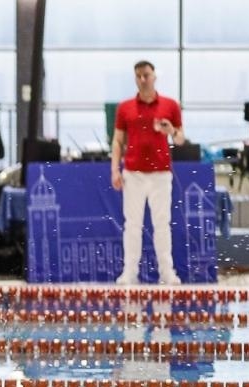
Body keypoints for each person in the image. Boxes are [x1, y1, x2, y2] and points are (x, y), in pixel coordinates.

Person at [111, 59, 183, 286]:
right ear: (135, 78)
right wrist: (115, 169)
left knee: (162, 224)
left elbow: (180, 139)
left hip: (161, 174)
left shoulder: (170, 105)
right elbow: (118, 140)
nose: (143, 79)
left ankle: (167, 273)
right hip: (133, 174)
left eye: (146, 75)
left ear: (154, 76)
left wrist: (171, 130)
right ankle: (129, 273)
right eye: (139, 76)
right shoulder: (125, 107)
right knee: (132, 225)